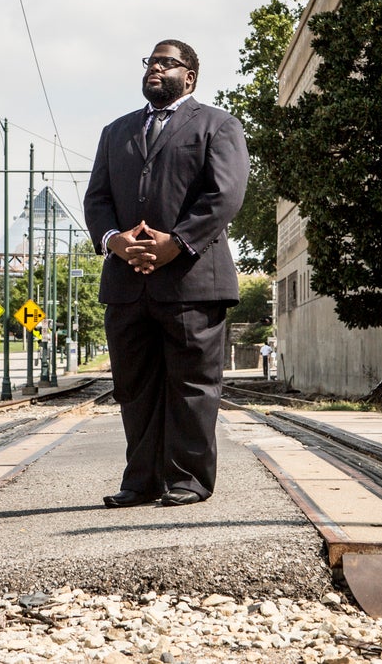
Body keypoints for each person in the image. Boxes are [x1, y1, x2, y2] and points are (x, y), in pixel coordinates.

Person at [84, 39, 250, 508]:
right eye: (150, 62)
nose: (155, 67)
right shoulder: (115, 132)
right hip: (126, 283)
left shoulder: (219, 125)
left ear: (189, 77)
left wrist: (174, 244)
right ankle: (141, 482)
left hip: (192, 282)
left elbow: (225, 194)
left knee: (192, 386)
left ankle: (189, 481)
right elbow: (97, 198)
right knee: (134, 388)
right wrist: (115, 240)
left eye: (166, 62)